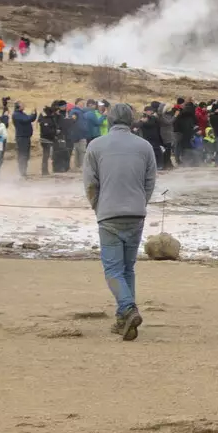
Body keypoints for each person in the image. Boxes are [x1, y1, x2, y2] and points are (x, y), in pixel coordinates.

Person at [83, 102, 157, 341]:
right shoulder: (144, 146)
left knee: (113, 269)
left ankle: (127, 308)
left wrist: (98, 206)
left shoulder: (96, 146)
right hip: (136, 213)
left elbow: (90, 183)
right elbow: (150, 181)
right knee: (127, 268)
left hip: (109, 213)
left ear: (110, 120)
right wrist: (140, 202)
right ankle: (122, 320)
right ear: (131, 119)